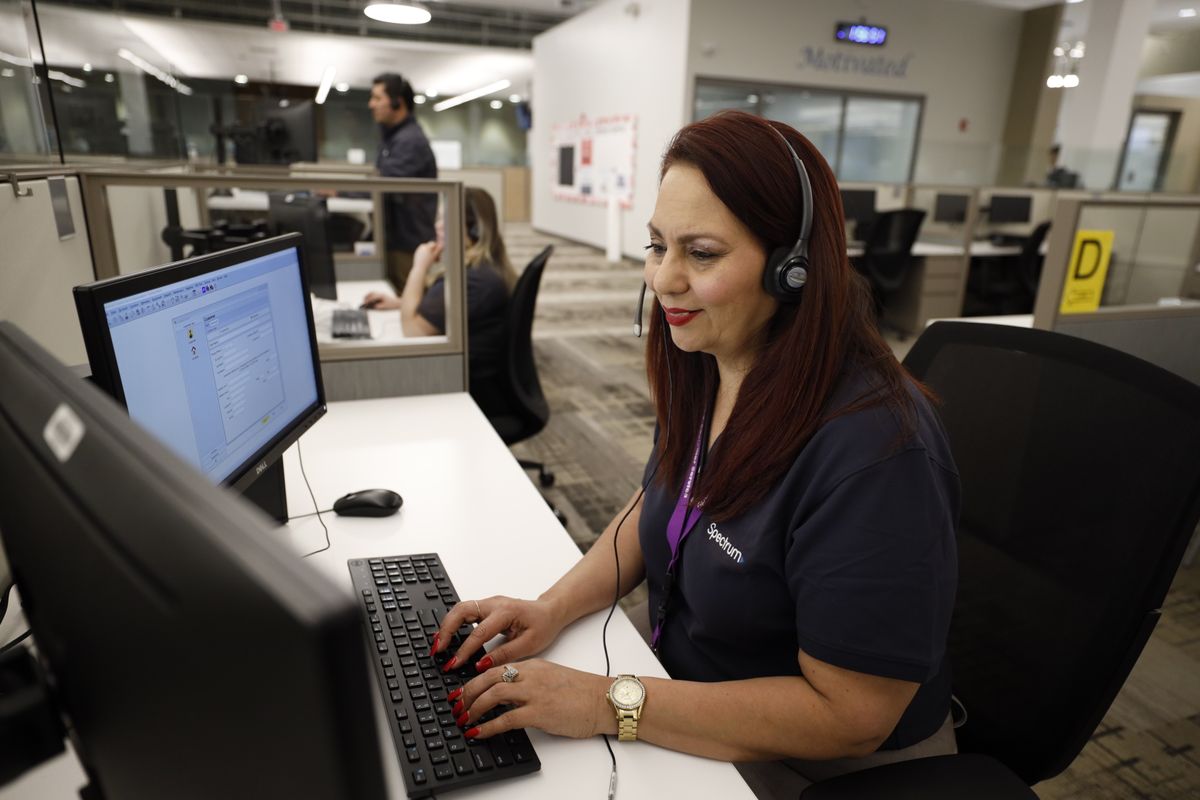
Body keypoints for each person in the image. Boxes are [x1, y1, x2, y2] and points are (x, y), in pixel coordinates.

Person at [427, 110, 961, 796]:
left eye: (701, 253)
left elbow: (852, 716)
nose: (664, 279)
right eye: (657, 245)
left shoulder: (879, 451)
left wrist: (604, 702)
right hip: (686, 698)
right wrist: (552, 608)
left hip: (819, 764)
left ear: (791, 269)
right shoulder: (712, 361)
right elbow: (661, 499)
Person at [362, 186, 514, 416]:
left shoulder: (474, 279)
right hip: (464, 372)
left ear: (473, 228)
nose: (438, 226)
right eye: (438, 218)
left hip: (466, 385)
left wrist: (419, 266)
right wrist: (400, 303)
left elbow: (412, 330)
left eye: (446, 219)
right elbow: (448, 306)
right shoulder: (479, 269)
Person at [368, 72, 438, 289]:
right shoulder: (393, 138)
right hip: (396, 237)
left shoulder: (410, 141)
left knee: (410, 302)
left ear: (398, 102)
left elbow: (384, 183)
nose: (371, 104)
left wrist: (338, 191)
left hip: (407, 244)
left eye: (378, 98)